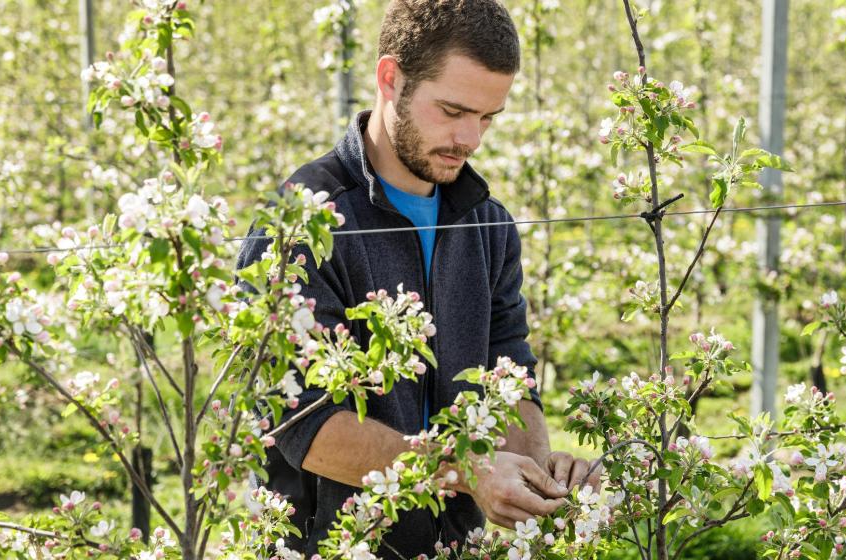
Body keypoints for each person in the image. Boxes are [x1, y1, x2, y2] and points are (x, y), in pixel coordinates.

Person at [236, 1, 600, 557]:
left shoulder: (488, 223)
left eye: (486, 117)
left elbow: (510, 375)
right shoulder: (303, 222)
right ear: (391, 79)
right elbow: (302, 423)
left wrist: (541, 475)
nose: (470, 138)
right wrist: (466, 471)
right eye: (452, 110)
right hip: (329, 545)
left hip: (458, 545)